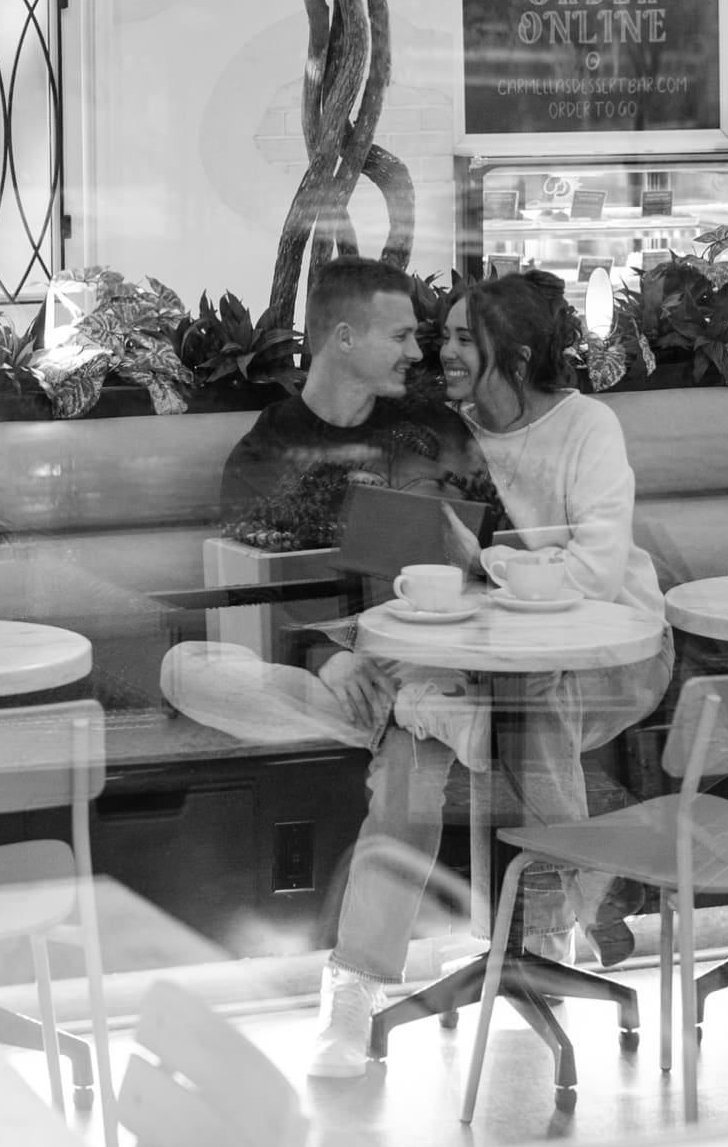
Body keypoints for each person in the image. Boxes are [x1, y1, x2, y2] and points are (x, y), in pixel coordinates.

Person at [161, 256, 496, 1077]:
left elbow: (495, 550)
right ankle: (406, 712)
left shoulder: (429, 431)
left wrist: (464, 566)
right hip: (334, 675)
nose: (418, 351)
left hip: (438, 660)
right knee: (183, 668)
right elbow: (258, 579)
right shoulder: (267, 450)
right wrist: (326, 647)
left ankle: (354, 997)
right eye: (401, 333)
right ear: (342, 339)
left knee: (411, 776)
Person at [439, 269, 674, 965]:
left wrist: (488, 564)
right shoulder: (447, 432)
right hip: (498, 658)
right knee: (519, 700)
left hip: (622, 653)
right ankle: (580, 900)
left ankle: (540, 938)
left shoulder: (587, 426)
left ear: (512, 358)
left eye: (462, 339)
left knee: (525, 704)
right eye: (442, 336)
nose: (443, 353)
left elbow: (598, 574)